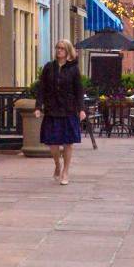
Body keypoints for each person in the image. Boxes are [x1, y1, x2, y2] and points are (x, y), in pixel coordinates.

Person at [34, 39, 86, 185]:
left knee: (68, 143)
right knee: (53, 143)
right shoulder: (49, 68)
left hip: (69, 109)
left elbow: (79, 90)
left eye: (62, 48)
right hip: (52, 109)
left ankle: (66, 171)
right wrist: (38, 107)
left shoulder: (73, 69)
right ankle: (57, 163)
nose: (59, 51)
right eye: (58, 48)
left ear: (68, 51)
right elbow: (42, 88)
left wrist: (81, 109)